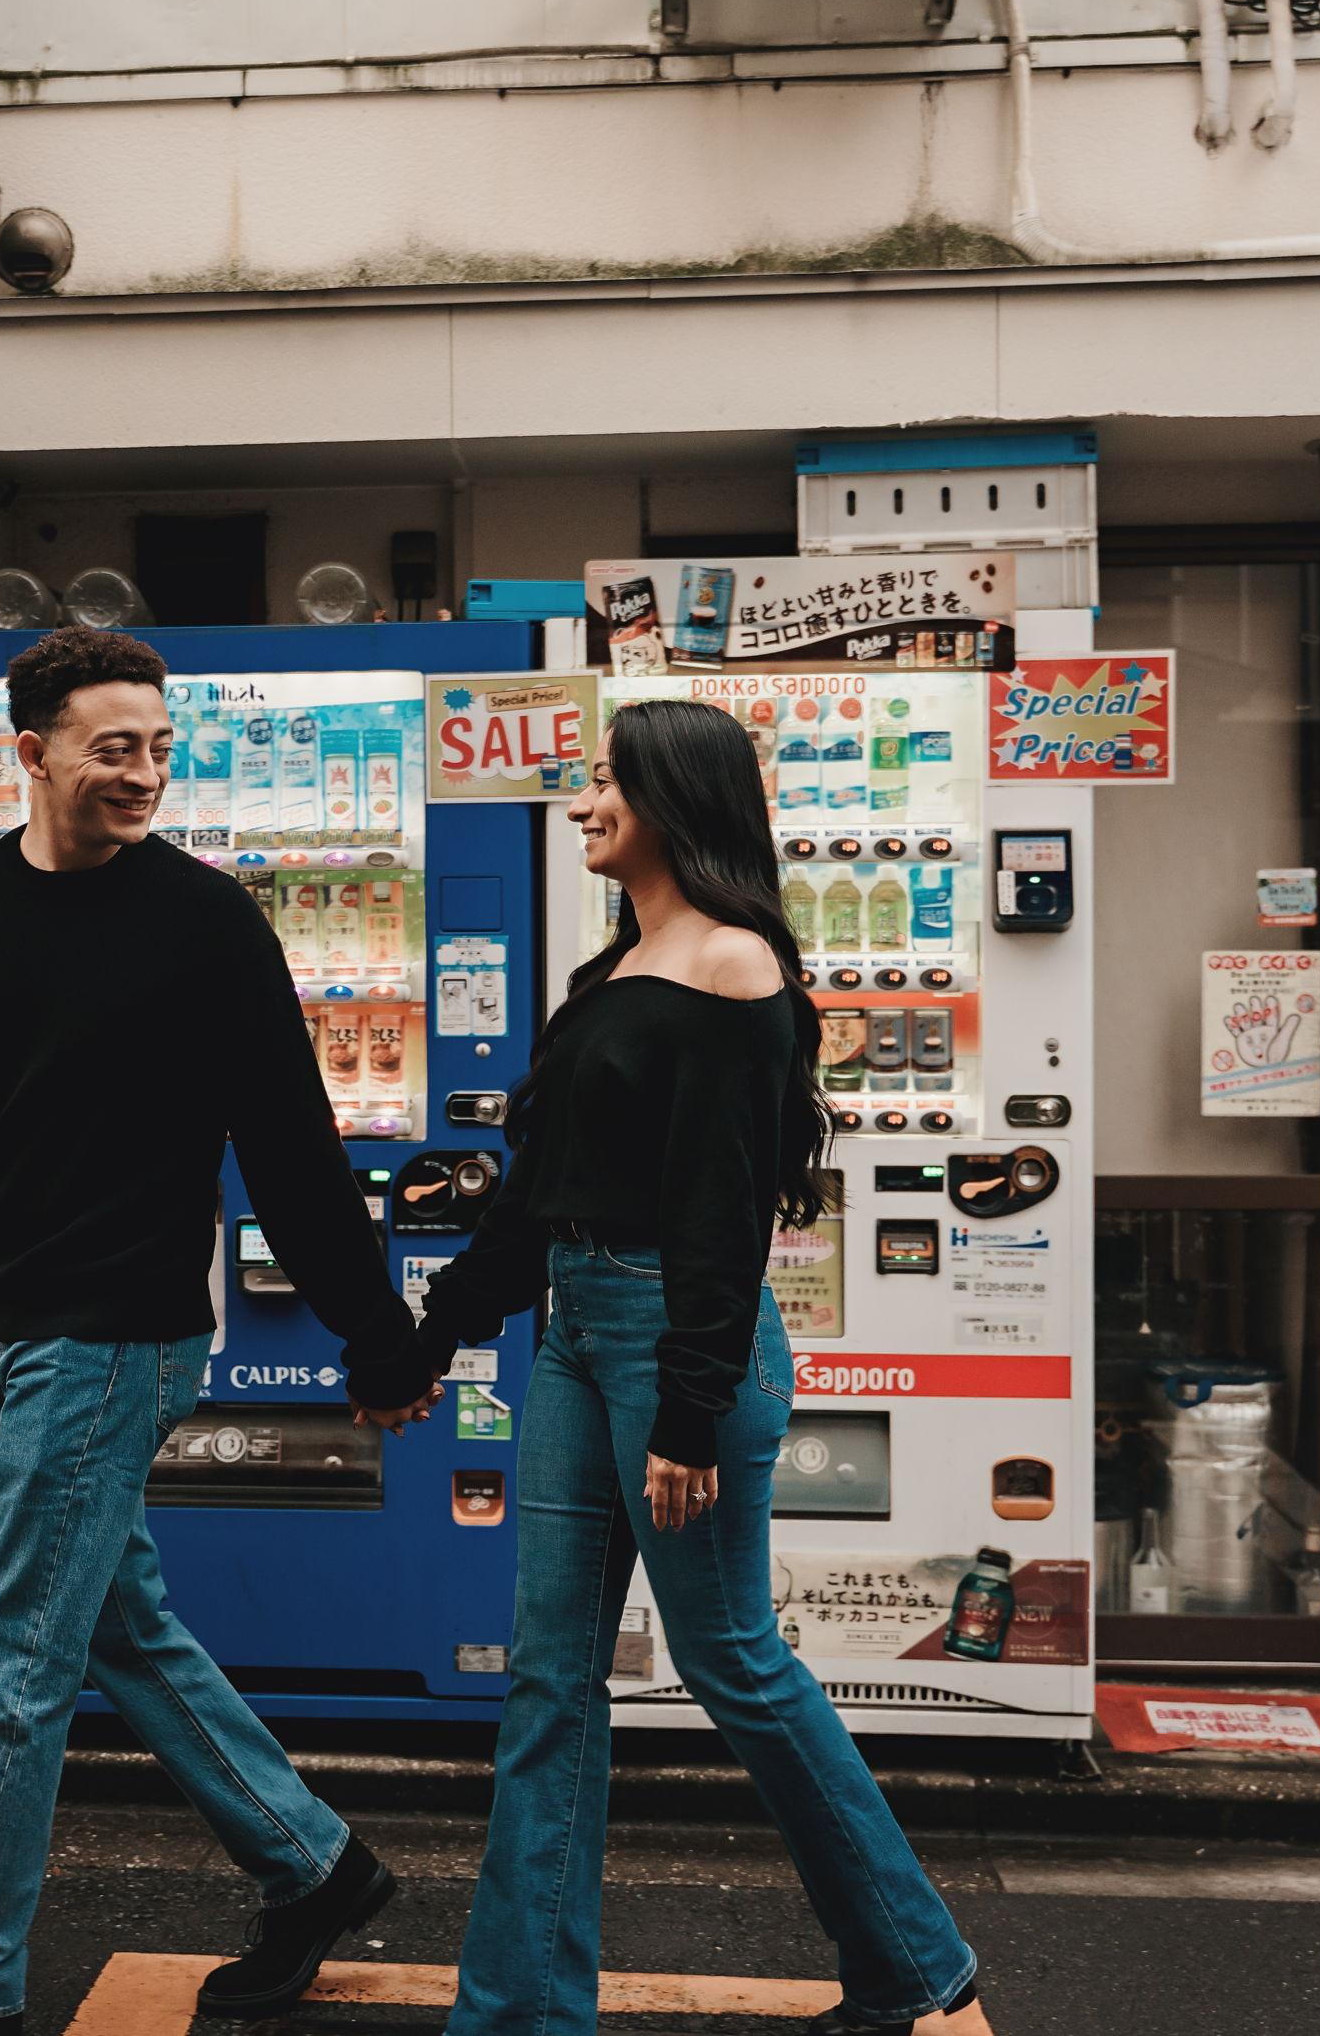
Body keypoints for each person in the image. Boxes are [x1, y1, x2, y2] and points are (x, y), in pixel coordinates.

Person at [0, 629, 440, 2036]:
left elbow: (293, 1146)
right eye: (113, 748)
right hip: (17, 1325)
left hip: (122, 1332)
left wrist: (375, 1334)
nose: (145, 772)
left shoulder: (207, 921)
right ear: (31, 753)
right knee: (116, 1627)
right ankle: (316, 1864)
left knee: (15, 1665)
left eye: (158, 747)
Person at [417, 699, 982, 2036]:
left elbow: (724, 1218)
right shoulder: (609, 971)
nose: (582, 803)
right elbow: (536, 1194)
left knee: (729, 1656)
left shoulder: (735, 968)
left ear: (672, 798)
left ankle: (912, 1958)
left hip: (679, 1343)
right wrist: (432, 1334)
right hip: (576, 1335)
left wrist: (687, 1409)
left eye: (605, 781)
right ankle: (518, 2013)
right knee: (550, 1676)